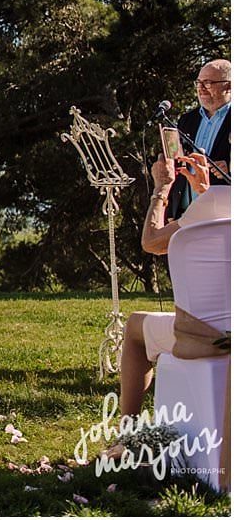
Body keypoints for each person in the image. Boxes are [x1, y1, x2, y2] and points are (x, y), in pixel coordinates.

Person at [113, 153, 229, 424]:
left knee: (134, 327)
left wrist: (162, 188)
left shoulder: (214, 203)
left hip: (205, 338)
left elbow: (152, 242)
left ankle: (127, 432)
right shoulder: (215, 201)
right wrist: (205, 190)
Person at [165, 59, 231, 221]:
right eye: (198, 82)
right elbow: (176, 164)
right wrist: (172, 209)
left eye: (208, 83)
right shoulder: (187, 120)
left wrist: (229, 166)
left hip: (222, 214)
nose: (201, 88)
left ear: (228, 86)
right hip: (186, 213)